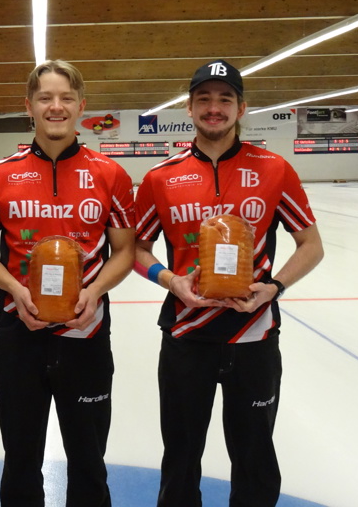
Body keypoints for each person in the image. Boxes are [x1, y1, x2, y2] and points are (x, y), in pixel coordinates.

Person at [134, 59, 324, 507]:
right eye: (204, 99)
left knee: (255, 457)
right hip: (186, 336)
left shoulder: (275, 169)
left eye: (224, 99)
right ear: (190, 106)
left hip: (253, 336)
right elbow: (137, 251)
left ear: (242, 107)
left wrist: (274, 287)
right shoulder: (161, 177)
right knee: (180, 457)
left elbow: (311, 245)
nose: (213, 108)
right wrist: (170, 280)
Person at [0, 60, 136, 506]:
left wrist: (94, 292)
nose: (55, 106)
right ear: (29, 106)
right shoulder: (0, 175)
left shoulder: (110, 175)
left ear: (82, 106)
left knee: (88, 461)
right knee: (20, 460)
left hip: (87, 334)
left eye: (65, 98)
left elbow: (125, 251)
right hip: (18, 335)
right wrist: (16, 290)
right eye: (45, 98)